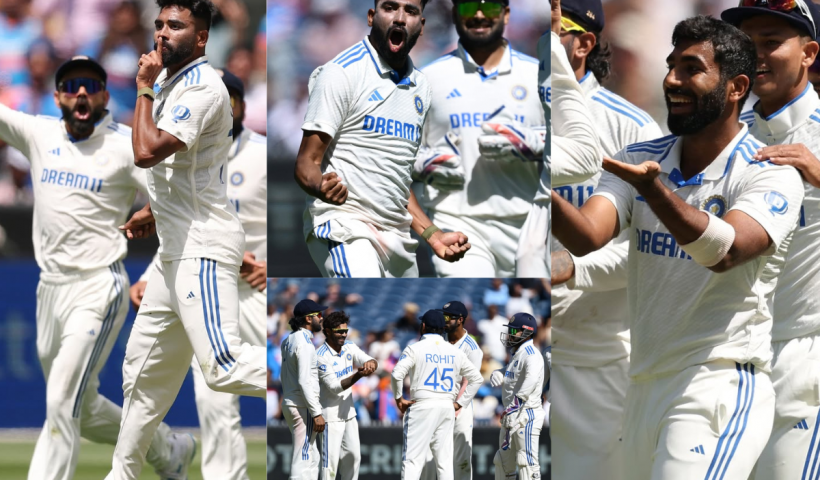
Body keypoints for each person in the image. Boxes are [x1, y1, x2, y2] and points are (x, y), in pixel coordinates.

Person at [551, 16, 804, 479]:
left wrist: (655, 192)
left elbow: (723, 252)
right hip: (643, 387)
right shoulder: (640, 157)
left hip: (719, 386)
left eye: (691, 68)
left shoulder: (770, 172)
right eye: (670, 66)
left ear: (735, 87)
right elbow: (587, 236)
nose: (671, 80)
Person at [0, 54, 190, 480]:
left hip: (98, 287)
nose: (81, 92)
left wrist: (152, 260)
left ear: (105, 94)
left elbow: (177, 204)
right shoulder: (38, 132)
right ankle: (168, 450)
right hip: (49, 289)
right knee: (80, 406)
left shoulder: (126, 145)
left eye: (90, 84)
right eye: (71, 86)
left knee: (60, 402)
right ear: (57, 97)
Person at [109, 1, 266, 478]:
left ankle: (317, 364)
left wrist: (141, 88)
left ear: (201, 38)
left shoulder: (201, 87)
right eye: (158, 24)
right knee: (141, 376)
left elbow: (146, 152)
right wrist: (154, 210)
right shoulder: (175, 84)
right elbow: (190, 172)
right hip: (173, 251)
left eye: (175, 26)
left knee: (222, 368)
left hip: (202, 246)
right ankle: (123, 473)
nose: (161, 33)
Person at [548, 1, 662, 478]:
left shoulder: (632, 129)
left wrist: (574, 269)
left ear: (584, 42)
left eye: (556, 30)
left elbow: (648, 253)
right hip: (514, 358)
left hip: (597, 362)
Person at [294, 0, 471, 278]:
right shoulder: (341, 73)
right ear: (371, 17)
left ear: (422, 25)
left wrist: (433, 235)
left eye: (410, 11)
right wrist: (320, 185)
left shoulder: (421, 87)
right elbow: (306, 162)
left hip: (397, 237)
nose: (400, 18)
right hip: (345, 227)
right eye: (390, 7)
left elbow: (397, 180)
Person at [720, 2, 820, 478]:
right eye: (747, 44)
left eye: (771, 42)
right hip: (729, 359)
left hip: (805, 355)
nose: (756, 55)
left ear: (809, 53)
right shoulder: (725, 132)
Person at [412, 0, 545, 277]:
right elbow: (397, 155)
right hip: (457, 223)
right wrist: (423, 164)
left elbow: (574, 149)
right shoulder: (427, 79)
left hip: (529, 225)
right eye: (469, 7)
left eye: (491, 8)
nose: (480, 15)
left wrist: (537, 144)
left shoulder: (538, 76)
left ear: (507, 14)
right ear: (454, 15)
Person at [391, 309, 483, 480]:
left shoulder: (414, 348)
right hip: (446, 406)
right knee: (444, 462)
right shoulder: (455, 351)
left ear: (423, 326)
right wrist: (460, 403)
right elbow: (476, 378)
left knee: (412, 460)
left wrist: (399, 398)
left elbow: (397, 374)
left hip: (422, 405)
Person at [420, 301, 484, 480]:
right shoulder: (440, 341)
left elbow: (469, 382)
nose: (444, 321)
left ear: (461, 320)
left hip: (460, 407)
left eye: (448, 317)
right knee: (432, 456)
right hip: (439, 403)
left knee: (461, 460)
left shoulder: (472, 348)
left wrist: (457, 406)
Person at [316, 311, 379, 480]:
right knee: (329, 465)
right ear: (328, 331)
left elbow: (369, 359)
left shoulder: (349, 346)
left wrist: (371, 364)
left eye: (345, 331)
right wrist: (359, 375)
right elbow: (335, 387)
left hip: (349, 414)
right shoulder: (321, 356)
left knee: (353, 458)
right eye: (339, 331)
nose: (344, 334)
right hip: (330, 416)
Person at [489, 313, 545, 480]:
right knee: (503, 462)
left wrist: (514, 407)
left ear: (527, 332)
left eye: (514, 330)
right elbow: (512, 371)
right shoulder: (517, 353)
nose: (510, 334)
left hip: (525, 416)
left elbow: (531, 381)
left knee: (526, 463)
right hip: (510, 416)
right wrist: (499, 373)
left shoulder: (532, 354)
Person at [281, 299, 328, 480]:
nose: (321, 318)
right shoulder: (305, 344)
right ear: (308, 319)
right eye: (319, 315)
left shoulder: (288, 340)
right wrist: (316, 412)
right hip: (302, 405)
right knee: (304, 455)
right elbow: (305, 380)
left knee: (311, 455)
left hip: (292, 401)